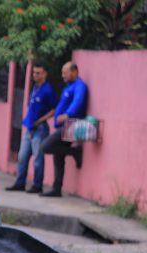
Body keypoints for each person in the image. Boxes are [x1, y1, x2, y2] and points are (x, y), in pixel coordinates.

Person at [38, 62, 88, 198]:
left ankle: (75, 152)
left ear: (74, 72)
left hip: (72, 125)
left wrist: (68, 114)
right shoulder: (69, 87)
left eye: (65, 72)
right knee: (58, 156)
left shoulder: (79, 86)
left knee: (45, 147)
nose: (63, 75)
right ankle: (57, 188)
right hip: (64, 126)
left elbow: (78, 101)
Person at [6, 63, 57, 194]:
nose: (35, 75)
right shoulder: (35, 87)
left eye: (38, 73)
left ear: (44, 74)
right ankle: (20, 182)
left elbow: (53, 110)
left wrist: (40, 120)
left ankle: (37, 185)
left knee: (38, 158)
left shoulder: (48, 90)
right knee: (22, 156)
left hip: (40, 128)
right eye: (34, 73)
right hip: (30, 128)